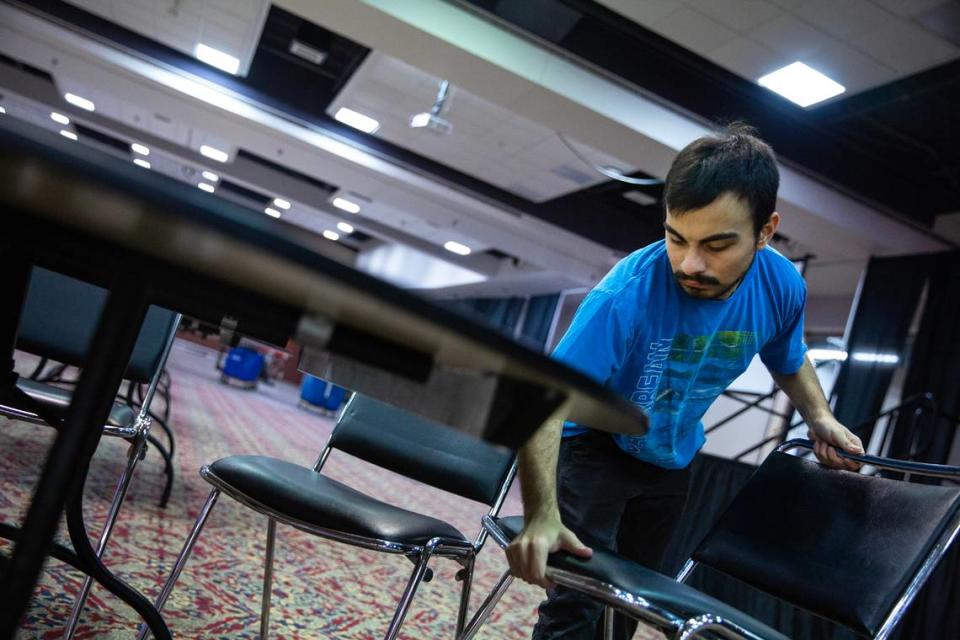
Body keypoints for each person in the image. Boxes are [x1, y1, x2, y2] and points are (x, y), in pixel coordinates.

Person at [506, 124, 865, 640]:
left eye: (717, 244)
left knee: (634, 603)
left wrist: (820, 416)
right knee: (579, 603)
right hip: (594, 447)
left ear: (766, 231)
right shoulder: (625, 295)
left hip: (672, 457)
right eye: (677, 238)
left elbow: (788, 356)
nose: (691, 263)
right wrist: (540, 514)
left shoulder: (782, 284)